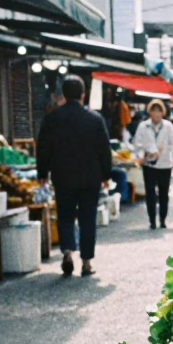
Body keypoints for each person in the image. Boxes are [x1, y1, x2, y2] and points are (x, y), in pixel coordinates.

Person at [36, 75, 112, 277]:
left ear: (64, 95)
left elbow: (43, 147)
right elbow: (104, 149)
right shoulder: (94, 119)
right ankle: (86, 263)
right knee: (88, 217)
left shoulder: (52, 118)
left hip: (63, 176)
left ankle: (68, 252)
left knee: (66, 215)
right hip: (90, 177)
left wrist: (42, 172)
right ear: (82, 94)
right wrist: (106, 174)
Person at [132, 99, 173, 229]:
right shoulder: (143, 126)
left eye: (159, 111)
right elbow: (137, 144)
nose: (157, 113)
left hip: (165, 163)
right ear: (150, 112)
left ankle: (163, 219)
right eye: (154, 110)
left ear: (163, 112)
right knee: (150, 192)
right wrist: (143, 155)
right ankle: (152, 219)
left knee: (164, 193)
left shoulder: (168, 126)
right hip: (149, 164)